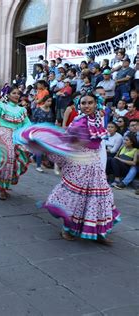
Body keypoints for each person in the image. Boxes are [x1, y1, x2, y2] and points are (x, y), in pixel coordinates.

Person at [43, 93, 120, 243]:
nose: (87, 106)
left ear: (95, 104)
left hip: (95, 164)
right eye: (83, 103)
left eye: (90, 102)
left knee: (99, 197)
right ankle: (67, 229)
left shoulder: (98, 119)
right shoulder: (78, 122)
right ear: (79, 105)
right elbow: (68, 142)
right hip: (80, 164)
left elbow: (99, 145)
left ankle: (98, 231)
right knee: (76, 197)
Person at [31, 96, 55, 172]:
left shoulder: (50, 110)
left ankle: (33, 156)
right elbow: (33, 121)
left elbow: (51, 121)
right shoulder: (38, 110)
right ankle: (38, 166)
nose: (49, 103)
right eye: (48, 101)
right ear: (44, 101)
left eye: (50, 101)